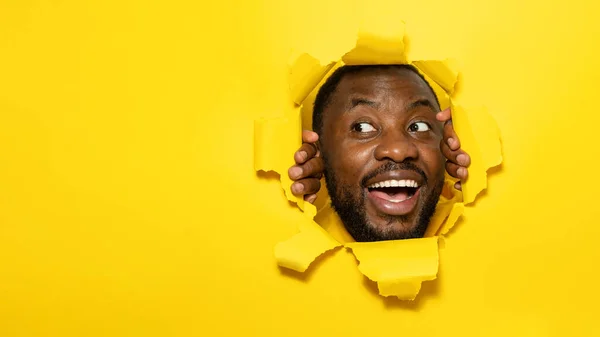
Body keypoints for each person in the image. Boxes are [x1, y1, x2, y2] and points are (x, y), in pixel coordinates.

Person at [287, 64, 470, 242]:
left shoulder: (477, 229)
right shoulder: (297, 240)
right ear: (318, 153)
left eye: (418, 126)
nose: (398, 150)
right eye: (362, 127)